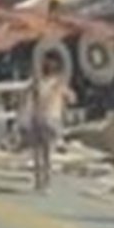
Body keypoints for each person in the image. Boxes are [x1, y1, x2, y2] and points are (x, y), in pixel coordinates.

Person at [27, 54, 76, 191]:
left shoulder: (37, 82)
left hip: (37, 118)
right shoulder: (59, 84)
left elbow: (28, 98)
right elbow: (72, 98)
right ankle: (47, 182)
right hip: (52, 118)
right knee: (48, 152)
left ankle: (38, 182)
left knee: (37, 152)